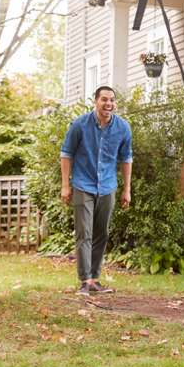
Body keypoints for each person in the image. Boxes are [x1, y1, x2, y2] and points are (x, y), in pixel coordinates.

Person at [60, 86, 132, 296]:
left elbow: (125, 159)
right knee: (85, 233)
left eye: (112, 100)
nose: (108, 103)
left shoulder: (123, 127)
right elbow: (66, 153)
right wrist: (66, 185)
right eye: (104, 99)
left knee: (102, 232)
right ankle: (84, 281)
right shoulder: (79, 125)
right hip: (83, 184)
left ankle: (94, 279)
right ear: (95, 102)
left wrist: (127, 189)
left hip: (108, 186)